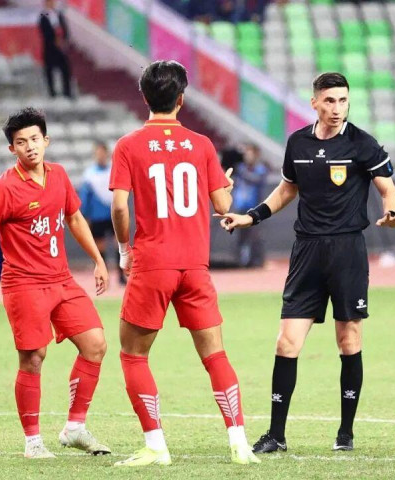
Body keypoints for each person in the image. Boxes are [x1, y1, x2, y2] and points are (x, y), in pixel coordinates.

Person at [216, 72, 395, 453]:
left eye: (343, 100)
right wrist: (251, 216)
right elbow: (287, 189)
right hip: (306, 252)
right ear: (315, 102)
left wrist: (391, 213)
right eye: (330, 101)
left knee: (348, 339)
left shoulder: (362, 144)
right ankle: (276, 435)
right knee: (286, 342)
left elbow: (388, 188)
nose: (337, 108)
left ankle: (345, 433)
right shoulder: (298, 143)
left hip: (347, 251)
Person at [109, 60, 260, 467]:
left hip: (152, 264)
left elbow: (120, 206)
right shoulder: (202, 144)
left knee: (133, 355)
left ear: (145, 97)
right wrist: (226, 186)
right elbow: (223, 206)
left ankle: (156, 446)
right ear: (182, 98)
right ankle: (239, 443)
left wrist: (123, 250)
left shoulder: (128, 145)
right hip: (195, 266)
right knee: (215, 356)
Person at [0, 108, 110, 459]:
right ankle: (33, 442)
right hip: (23, 284)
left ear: (46, 140)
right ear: (12, 149)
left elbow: (74, 218)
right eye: (21, 142)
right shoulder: (2, 188)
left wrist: (99, 261)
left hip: (62, 279)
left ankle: (74, 428)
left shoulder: (59, 175)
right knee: (34, 358)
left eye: (35, 139)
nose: (30, 146)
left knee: (95, 344)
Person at [79, 141, 126, 284]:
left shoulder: (113, 170)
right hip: (97, 216)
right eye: (98, 153)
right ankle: (104, 275)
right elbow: (85, 197)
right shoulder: (89, 174)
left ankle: (121, 276)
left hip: (113, 214)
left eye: (103, 153)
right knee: (100, 247)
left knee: (119, 244)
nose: (101, 156)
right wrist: (86, 216)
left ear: (107, 154)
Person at [232, 143, 269, 267]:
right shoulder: (240, 168)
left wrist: (243, 173)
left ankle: (257, 261)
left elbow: (257, 180)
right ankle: (240, 261)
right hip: (241, 206)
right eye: (246, 154)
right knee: (240, 236)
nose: (247, 157)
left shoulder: (260, 169)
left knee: (255, 235)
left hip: (254, 207)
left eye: (250, 154)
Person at [39, 0, 72, 98]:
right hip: (50, 48)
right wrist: (54, 40)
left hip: (60, 48)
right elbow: (44, 32)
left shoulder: (58, 14)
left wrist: (63, 39)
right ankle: (52, 93)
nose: (51, 4)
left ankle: (67, 92)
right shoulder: (43, 16)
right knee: (49, 71)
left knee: (65, 69)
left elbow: (65, 29)